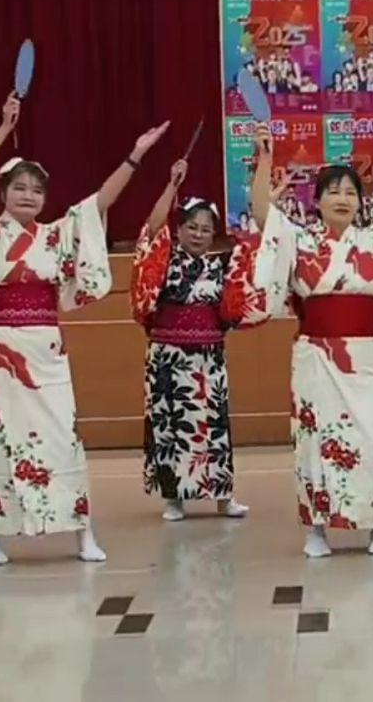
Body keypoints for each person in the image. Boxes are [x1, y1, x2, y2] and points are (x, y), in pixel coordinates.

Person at [0, 94, 168, 566]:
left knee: (61, 437)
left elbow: (101, 201)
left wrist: (136, 155)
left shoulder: (55, 236)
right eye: (19, 187)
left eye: (37, 190)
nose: (28, 195)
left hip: (46, 351)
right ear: (3, 193)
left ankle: (81, 531)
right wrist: (4, 129)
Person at [245, 120, 373, 557]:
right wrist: (265, 157)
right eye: (333, 191)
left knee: (371, 438)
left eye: (350, 192)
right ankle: (316, 529)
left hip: (363, 358)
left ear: (360, 202)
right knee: (313, 439)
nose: (342, 198)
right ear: (316, 201)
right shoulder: (299, 240)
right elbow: (263, 214)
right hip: (314, 358)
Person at [131, 159, 261, 522]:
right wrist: (172, 184)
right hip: (167, 358)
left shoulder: (222, 265)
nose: (199, 234)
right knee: (169, 426)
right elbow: (151, 229)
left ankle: (223, 497)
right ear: (179, 229)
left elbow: (253, 251)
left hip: (208, 359)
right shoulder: (163, 259)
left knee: (213, 425)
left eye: (206, 229)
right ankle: (174, 498)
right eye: (191, 227)